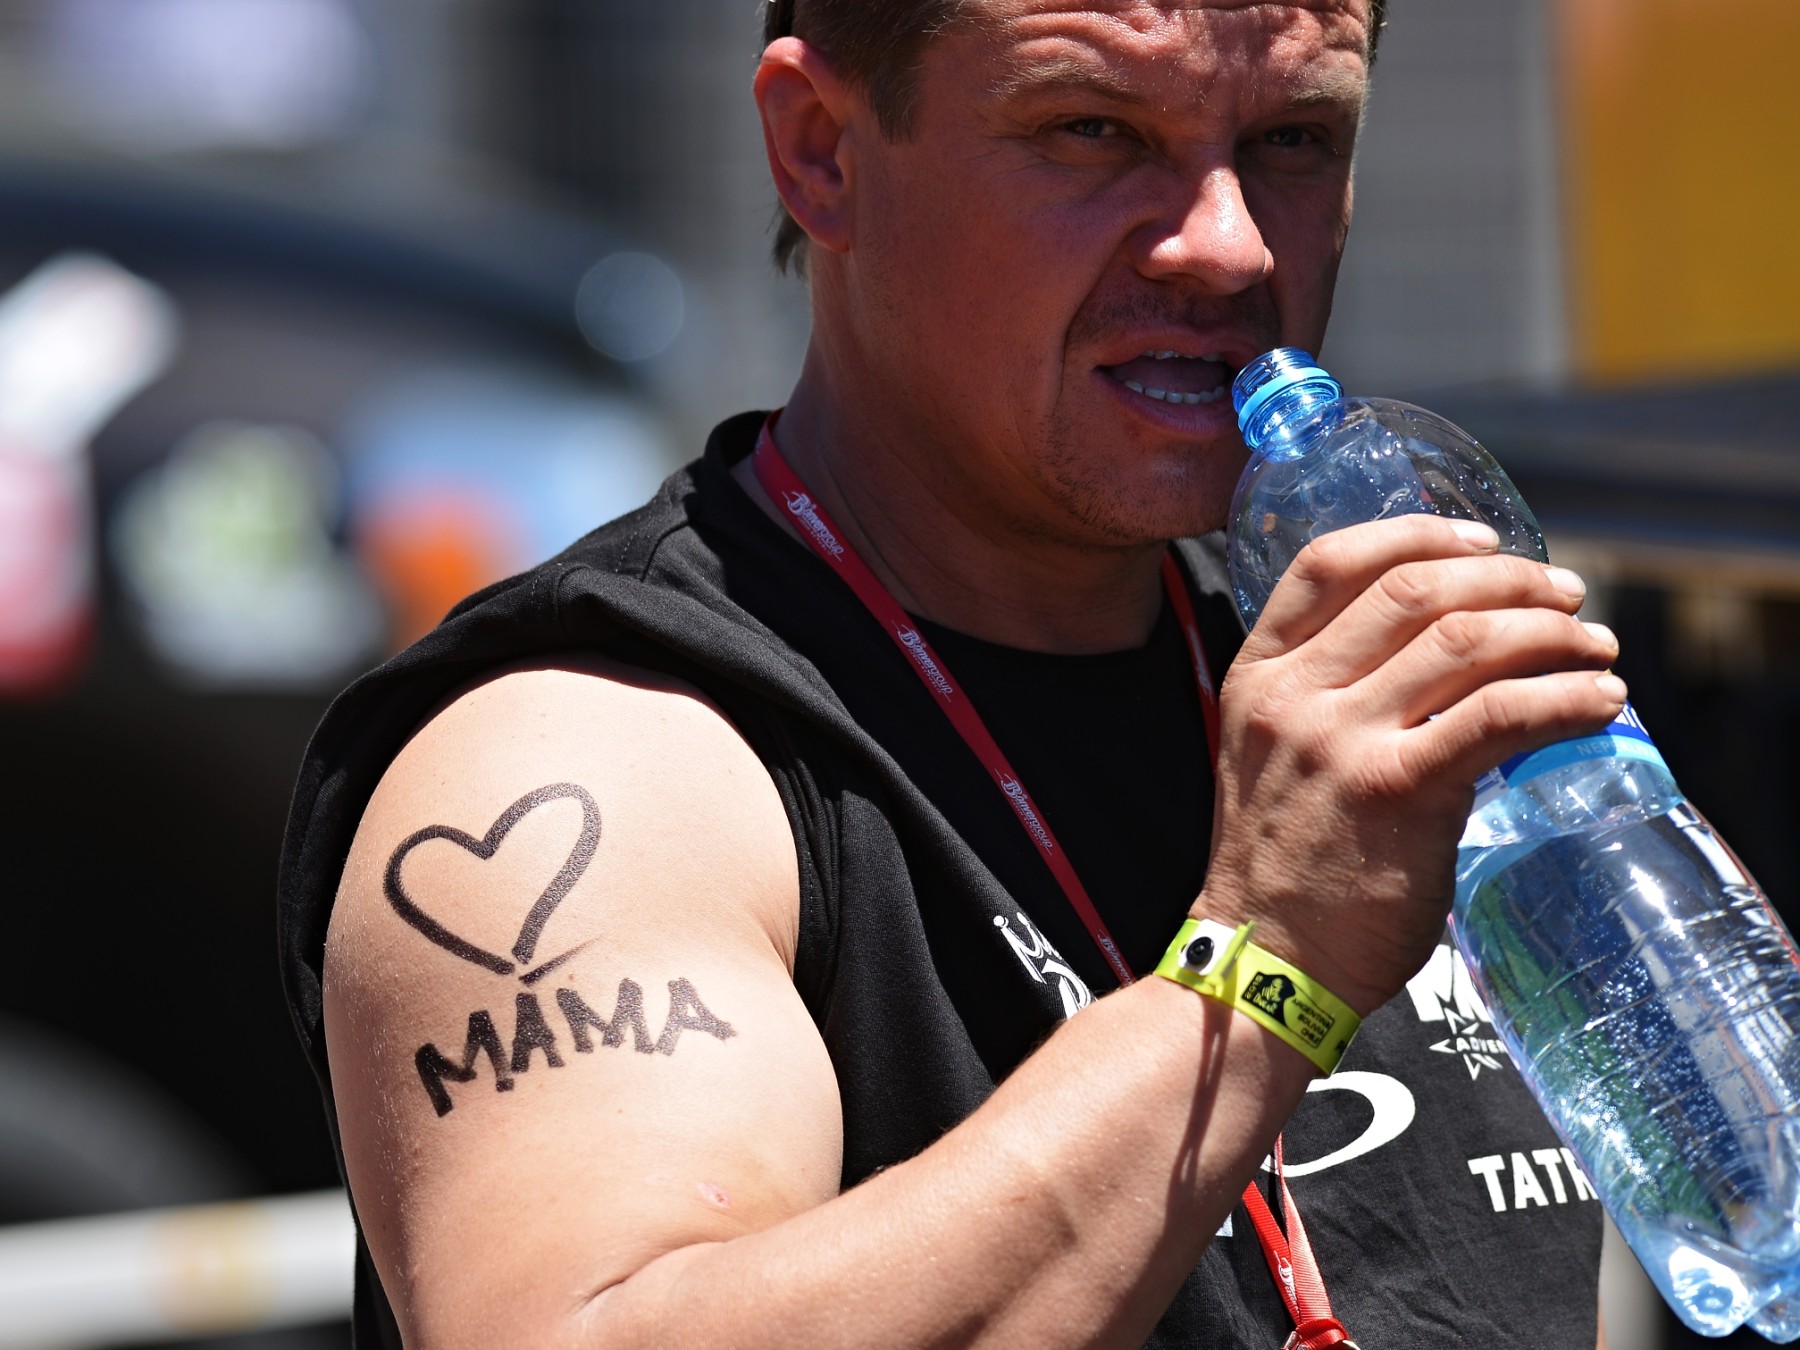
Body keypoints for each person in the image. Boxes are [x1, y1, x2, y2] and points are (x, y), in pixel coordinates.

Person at [278, 1, 1625, 1345]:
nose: (1228, 246)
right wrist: (1266, 965)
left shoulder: (1358, 669)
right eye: (1092, 129)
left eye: (1293, 139)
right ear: (820, 150)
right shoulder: (598, 758)